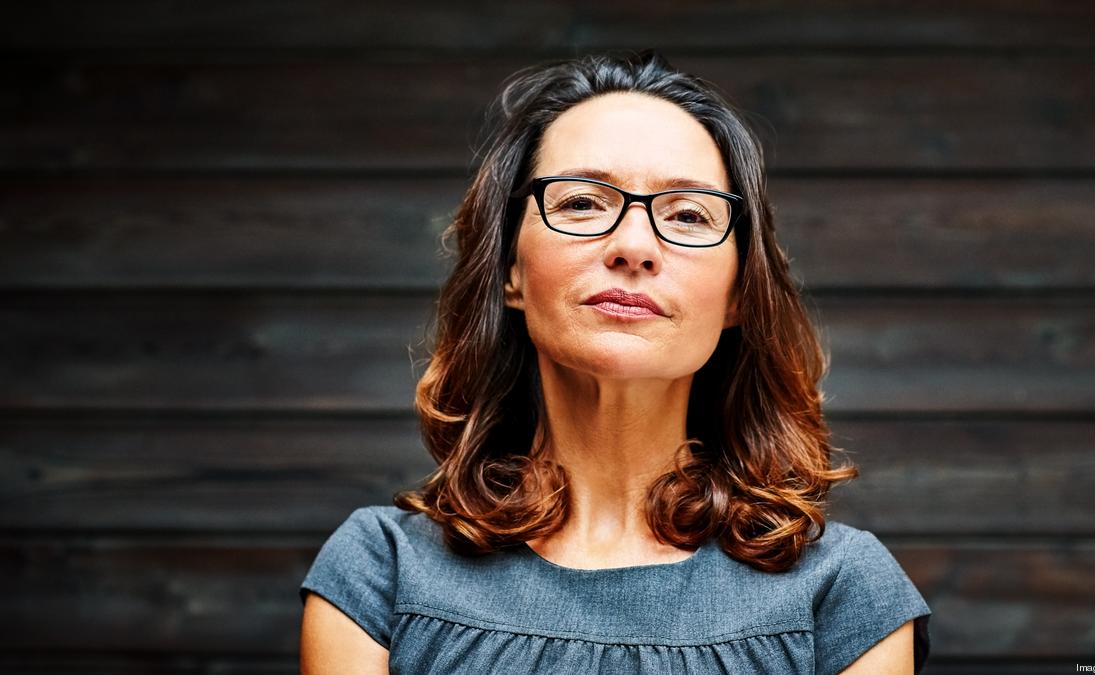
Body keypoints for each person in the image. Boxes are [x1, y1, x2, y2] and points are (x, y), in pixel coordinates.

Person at [298, 49, 931, 674]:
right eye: (581, 202)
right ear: (511, 271)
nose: (634, 246)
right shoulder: (378, 573)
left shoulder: (843, 595)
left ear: (739, 293)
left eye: (687, 214)